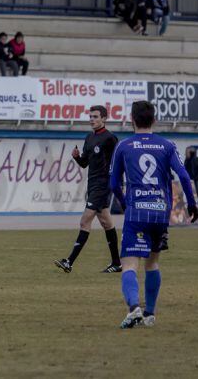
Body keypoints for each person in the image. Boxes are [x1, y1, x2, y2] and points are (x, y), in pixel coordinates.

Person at [110, 100, 198, 328]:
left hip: (136, 212)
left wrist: (125, 203)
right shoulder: (167, 145)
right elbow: (184, 176)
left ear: (132, 119)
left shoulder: (124, 146)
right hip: (160, 214)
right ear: (154, 120)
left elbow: (113, 184)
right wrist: (192, 204)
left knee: (129, 265)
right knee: (152, 264)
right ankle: (149, 314)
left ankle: (134, 309)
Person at [54, 105, 121, 273]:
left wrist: (115, 182)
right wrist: (77, 157)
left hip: (102, 185)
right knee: (106, 223)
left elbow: (117, 162)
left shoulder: (110, 138)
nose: (92, 119)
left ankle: (69, 262)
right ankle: (117, 263)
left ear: (104, 119)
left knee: (85, 221)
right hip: (92, 185)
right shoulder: (89, 138)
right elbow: (85, 163)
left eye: (96, 116)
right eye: (90, 116)